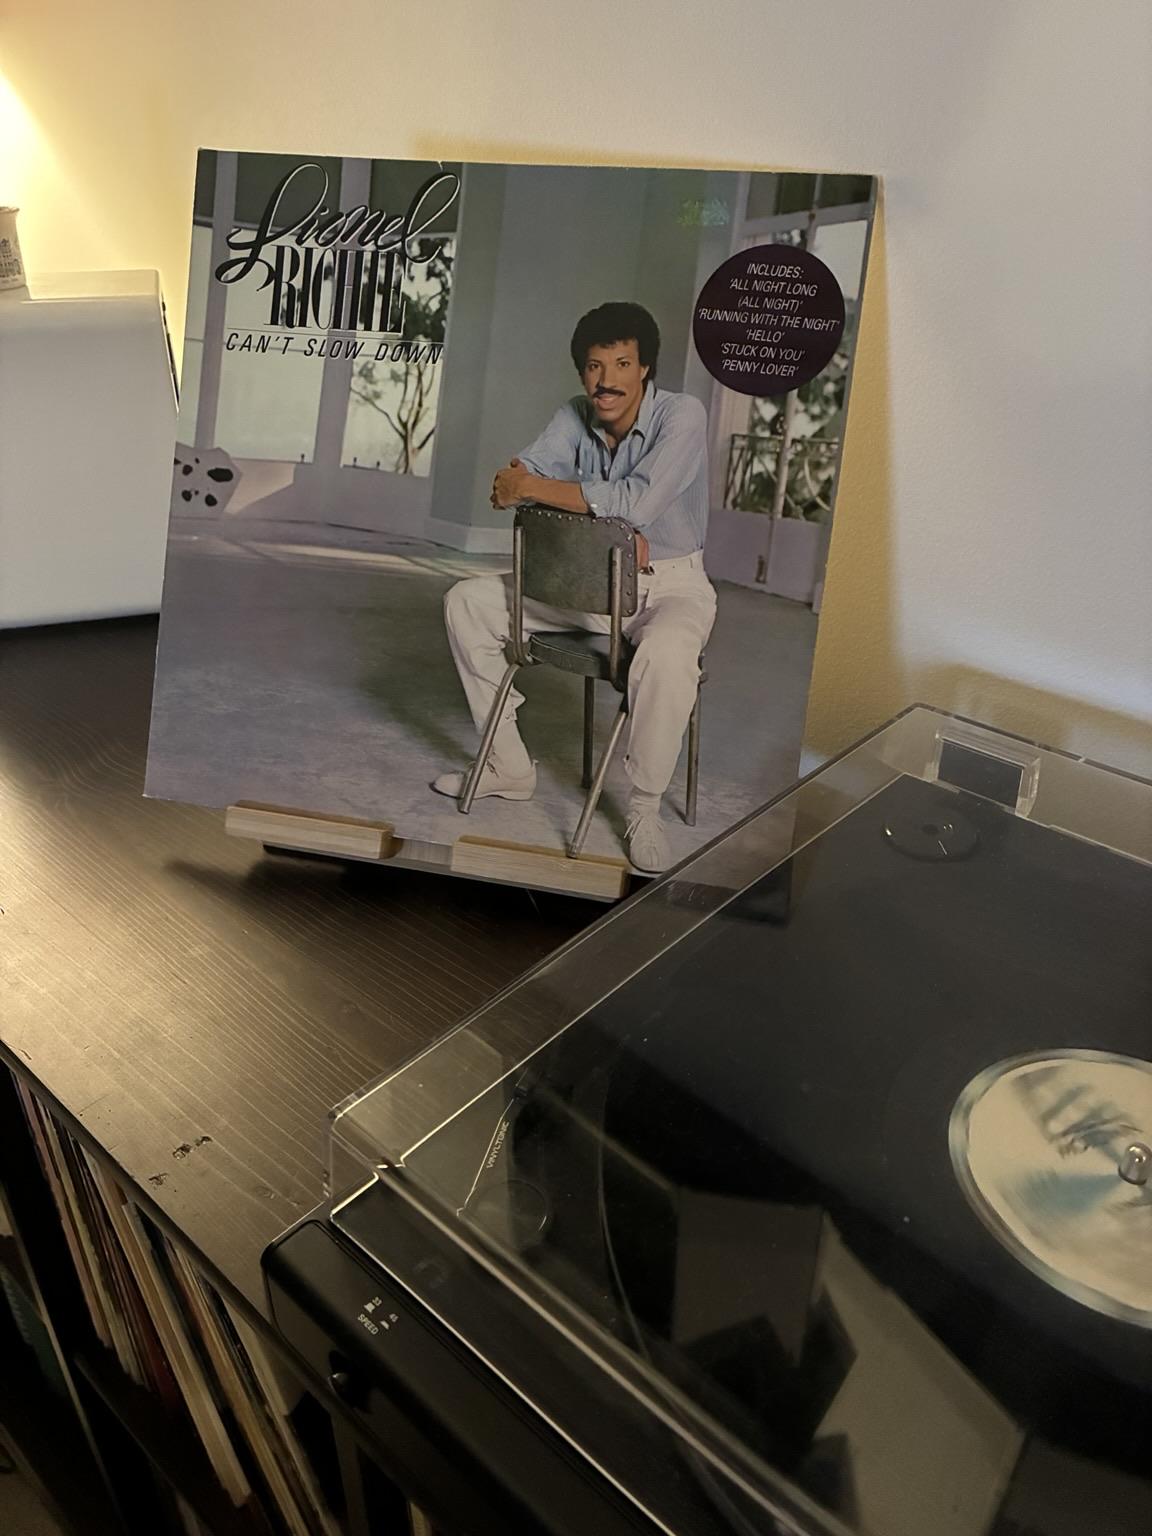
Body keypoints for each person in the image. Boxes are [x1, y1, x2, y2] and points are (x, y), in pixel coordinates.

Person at [433, 301, 716, 874]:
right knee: (467, 601)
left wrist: (583, 507)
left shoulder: (683, 415)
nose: (607, 380)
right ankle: (508, 766)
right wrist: (603, 526)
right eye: (594, 366)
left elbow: (635, 501)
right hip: (588, 586)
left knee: (667, 656)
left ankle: (644, 808)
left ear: (644, 369)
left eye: (621, 363)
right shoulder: (574, 414)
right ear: (581, 372)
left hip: (671, 589)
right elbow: (519, 480)